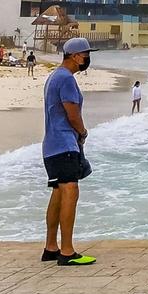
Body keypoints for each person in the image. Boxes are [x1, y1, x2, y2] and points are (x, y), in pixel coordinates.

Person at [41, 36, 95, 266]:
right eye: (86, 55)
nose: (87, 59)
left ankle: (51, 246)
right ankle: (67, 250)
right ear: (75, 56)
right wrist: (82, 132)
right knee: (70, 192)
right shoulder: (66, 79)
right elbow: (72, 113)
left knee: (58, 192)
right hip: (65, 144)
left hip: (51, 146)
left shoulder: (54, 76)